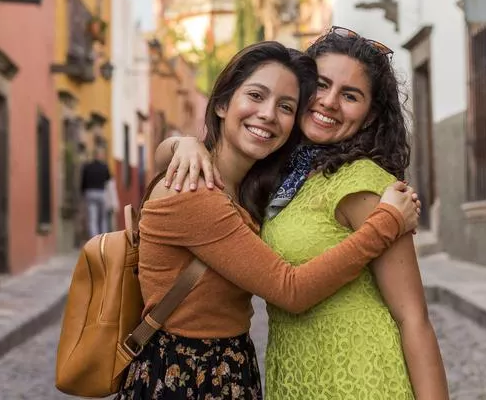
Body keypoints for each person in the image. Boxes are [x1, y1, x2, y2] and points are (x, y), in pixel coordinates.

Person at [117, 41, 421, 400]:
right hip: (186, 377)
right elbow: (290, 290)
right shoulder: (196, 194)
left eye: (285, 106)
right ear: (221, 104)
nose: (267, 114)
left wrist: (179, 144)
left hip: (224, 368)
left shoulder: (248, 185)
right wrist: (385, 223)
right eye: (256, 96)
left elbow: (161, 157)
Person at [80, 146, 112, 238]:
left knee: (92, 219)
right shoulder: (104, 166)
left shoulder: (87, 167)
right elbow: (108, 179)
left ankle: (94, 240)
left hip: (90, 193)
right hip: (101, 193)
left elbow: (83, 182)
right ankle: (103, 239)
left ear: (93, 156)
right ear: (100, 156)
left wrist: (83, 192)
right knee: (102, 218)